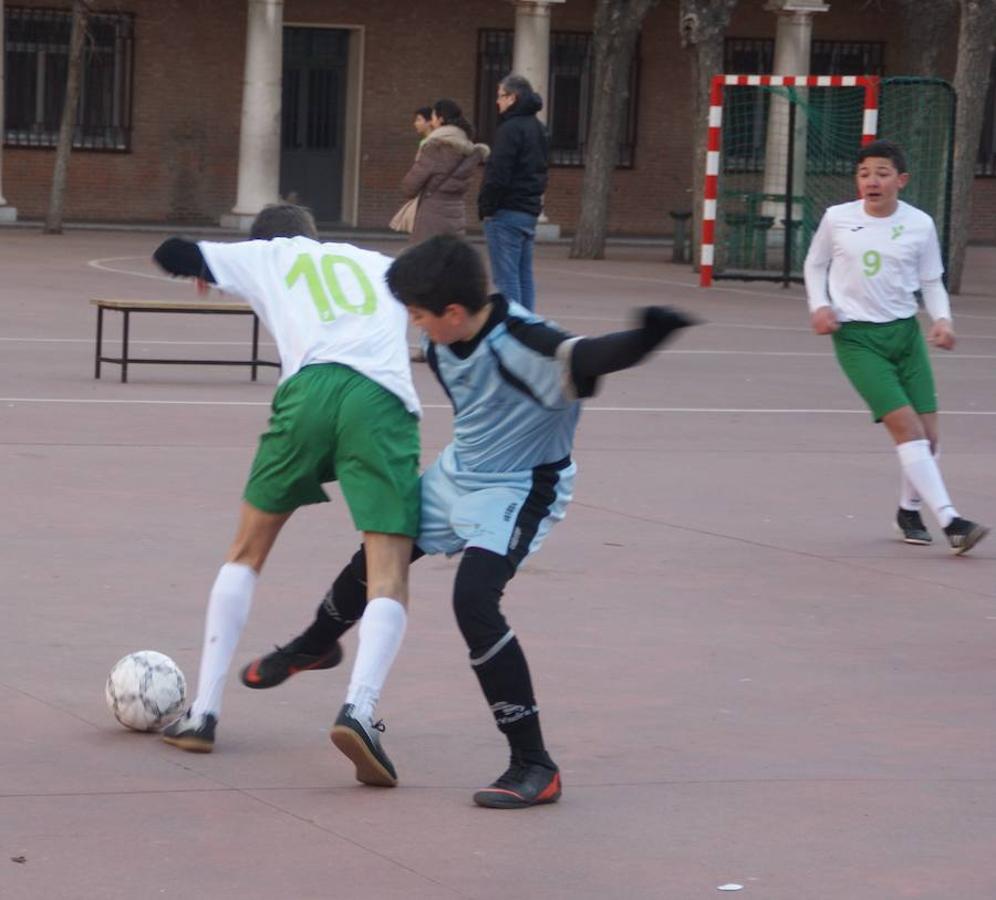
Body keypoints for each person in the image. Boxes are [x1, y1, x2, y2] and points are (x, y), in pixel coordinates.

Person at [239, 235, 696, 808]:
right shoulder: (444, 343)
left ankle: (534, 763)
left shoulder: (525, 343)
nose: (413, 323)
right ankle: (314, 644)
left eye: (419, 315)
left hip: (520, 486)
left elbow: (586, 357)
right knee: (381, 551)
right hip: (460, 471)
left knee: (474, 602)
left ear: (453, 312)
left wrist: (648, 337)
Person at [150, 203, 422, 788]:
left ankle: (202, 713)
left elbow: (171, 251)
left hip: (309, 392)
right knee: (389, 571)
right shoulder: (380, 263)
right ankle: (360, 711)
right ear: (314, 234)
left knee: (246, 551)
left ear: (263, 242)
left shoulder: (269, 256)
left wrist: (208, 268)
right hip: (380, 400)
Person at [803, 139, 988, 555]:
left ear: (900, 180)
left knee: (931, 438)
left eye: (882, 173)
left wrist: (942, 319)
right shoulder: (837, 219)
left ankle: (908, 510)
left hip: (904, 334)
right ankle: (951, 521)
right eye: (865, 173)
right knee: (907, 428)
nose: (872, 181)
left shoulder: (920, 224)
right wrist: (820, 306)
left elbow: (930, 281)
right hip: (856, 338)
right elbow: (815, 265)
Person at [478, 74, 549, 312]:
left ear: (512, 97)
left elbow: (498, 172)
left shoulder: (510, 129)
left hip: (506, 211)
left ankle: (514, 329)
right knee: (524, 276)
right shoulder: (539, 128)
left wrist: (486, 206)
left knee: (506, 278)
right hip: (527, 210)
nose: (497, 102)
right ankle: (529, 328)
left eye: (500, 96)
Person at [401, 99, 490, 246]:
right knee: (449, 260)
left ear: (441, 119)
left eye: (434, 116)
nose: (433, 120)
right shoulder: (469, 148)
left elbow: (411, 185)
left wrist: (406, 187)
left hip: (432, 214)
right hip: (456, 214)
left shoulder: (435, 146)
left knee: (426, 261)